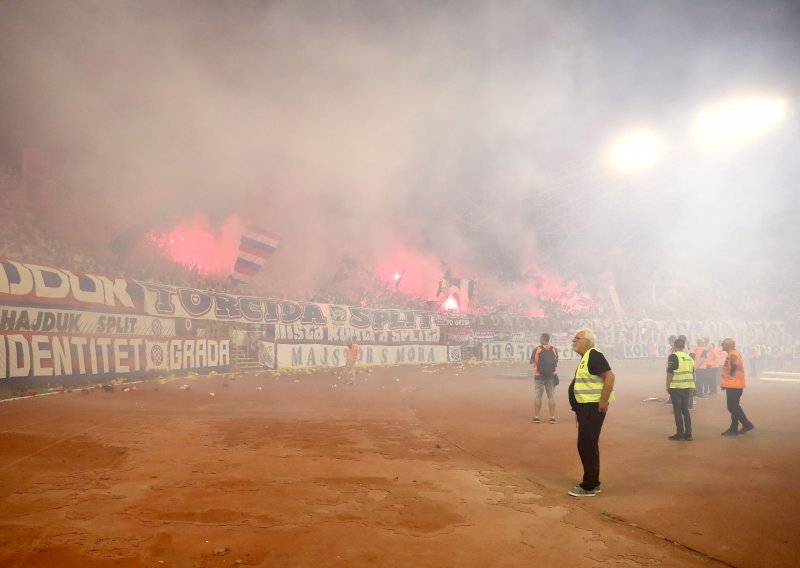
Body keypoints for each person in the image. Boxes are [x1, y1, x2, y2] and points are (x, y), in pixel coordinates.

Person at [568, 328, 615, 497]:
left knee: (586, 445)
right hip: (585, 408)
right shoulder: (586, 358)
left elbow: (610, 377)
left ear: (587, 342)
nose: (573, 341)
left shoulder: (594, 355)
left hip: (592, 408)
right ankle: (593, 482)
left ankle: (588, 486)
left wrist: (603, 401)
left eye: (577, 338)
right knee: (588, 445)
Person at [720, 338, 754, 435]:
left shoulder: (733, 354)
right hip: (734, 384)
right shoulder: (733, 353)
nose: (722, 346)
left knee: (732, 407)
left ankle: (746, 424)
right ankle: (734, 427)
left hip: (734, 385)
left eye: (723, 344)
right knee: (734, 406)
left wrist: (730, 375)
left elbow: (735, 364)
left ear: (728, 345)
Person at [666, 337, 696, 441]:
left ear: (675, 346)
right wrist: (693, 387)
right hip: (687, 387)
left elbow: (670, 373)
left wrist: (667, 385)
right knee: (685, 410)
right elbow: (693, 374)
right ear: (683, 346)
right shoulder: (689, 358)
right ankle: (689, 434)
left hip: (676, 387)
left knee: (677, 411)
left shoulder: (673, 356)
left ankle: (680, 433)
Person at [529, 333, 559, 424]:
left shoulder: (537, 349)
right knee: (551, 397)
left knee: (538, 396)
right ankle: (552, 418)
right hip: (550, 376)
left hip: (539, 376)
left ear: (542, 339)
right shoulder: (554, 349)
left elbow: (531, 361)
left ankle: (537, 417)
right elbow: (556, 361)